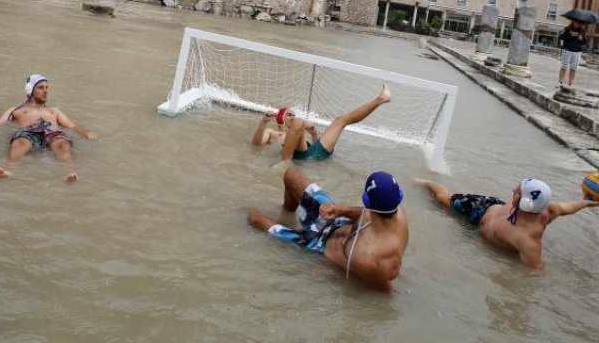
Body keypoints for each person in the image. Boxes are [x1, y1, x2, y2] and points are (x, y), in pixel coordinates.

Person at [247, 166, 408, 292]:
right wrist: (340, 210)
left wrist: (331, 275)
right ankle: (287, 212)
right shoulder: (398, 211)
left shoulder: (373, 261)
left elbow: (382, 296)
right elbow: (364, 212)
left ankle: (236, 206)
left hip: (315, 246)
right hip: (335, 222)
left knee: (255, 219)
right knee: (291, 175)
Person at [416, 177, 598, 269]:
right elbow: (570, 206)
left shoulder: (528, 241)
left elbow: (535, 272)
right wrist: (586, 202)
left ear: (526, 202)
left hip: (480, 229)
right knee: (443, 198)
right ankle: (425, 182)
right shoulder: (548, 208)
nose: (513, 189)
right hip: (485, 207)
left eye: (518, 191)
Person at [0, 74, 96, 181]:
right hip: (28, 132)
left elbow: (72, 125)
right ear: (30, 89)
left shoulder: (54, 111)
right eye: (41, 87)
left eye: (47, 88)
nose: (46, 91)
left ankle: (69, 173)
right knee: (19, 142)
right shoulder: (16, 110)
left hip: (51, 131)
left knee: (63, 144)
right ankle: (11, 171)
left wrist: (86, 133)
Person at [252, 84, 391, 162]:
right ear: (281, 119)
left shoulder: (298, 130)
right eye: (289, 115)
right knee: (300, 123)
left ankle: (382, 99)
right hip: (298, 156)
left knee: (341, 120)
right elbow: (256, 144)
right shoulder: (274, 133)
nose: (293, 116)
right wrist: (263, 122)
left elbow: (311, 150)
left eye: (294, 114)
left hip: (314, 153)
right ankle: (284, 164)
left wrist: (313, 134)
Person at [558, 20, 587, 87]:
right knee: (564, 66)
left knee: (574, 68)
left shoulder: (582, 31)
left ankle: (570, 83)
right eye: (577, 22)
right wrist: (570, 35)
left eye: (579, 23)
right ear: (573, 22)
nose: (578, 24)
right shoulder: (567, 29)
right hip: (567, 50)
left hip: (577, 51)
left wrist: (581, 39)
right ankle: (560, 81)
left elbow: (585, 42)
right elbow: (561, 37)